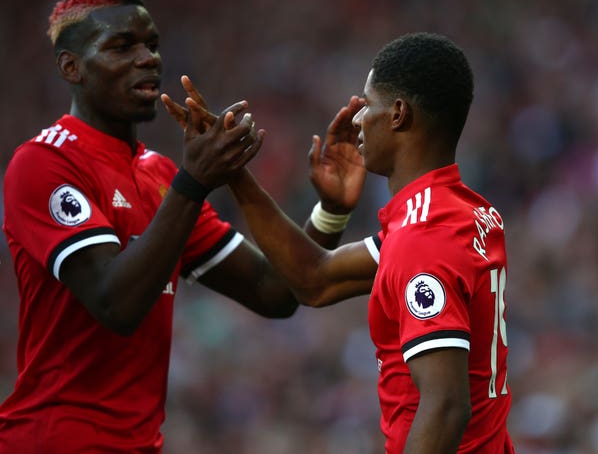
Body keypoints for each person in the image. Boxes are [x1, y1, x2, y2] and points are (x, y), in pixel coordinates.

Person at [0, 0, 364, 453]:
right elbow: (116, 305)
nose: (148, 58)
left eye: (151, 45)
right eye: (121, 46)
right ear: (72, 67)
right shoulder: (44, 164)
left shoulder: (157, 175)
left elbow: (274, 291)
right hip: (52, 441)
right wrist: (193, 182)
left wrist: (330, 211)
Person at [174, 33, 515, 453]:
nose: (356, 118)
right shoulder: (463, 211)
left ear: (398, 115)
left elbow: (446, 406)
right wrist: (234, 173)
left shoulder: (422, 236)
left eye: (368, 104)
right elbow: (314, 279)